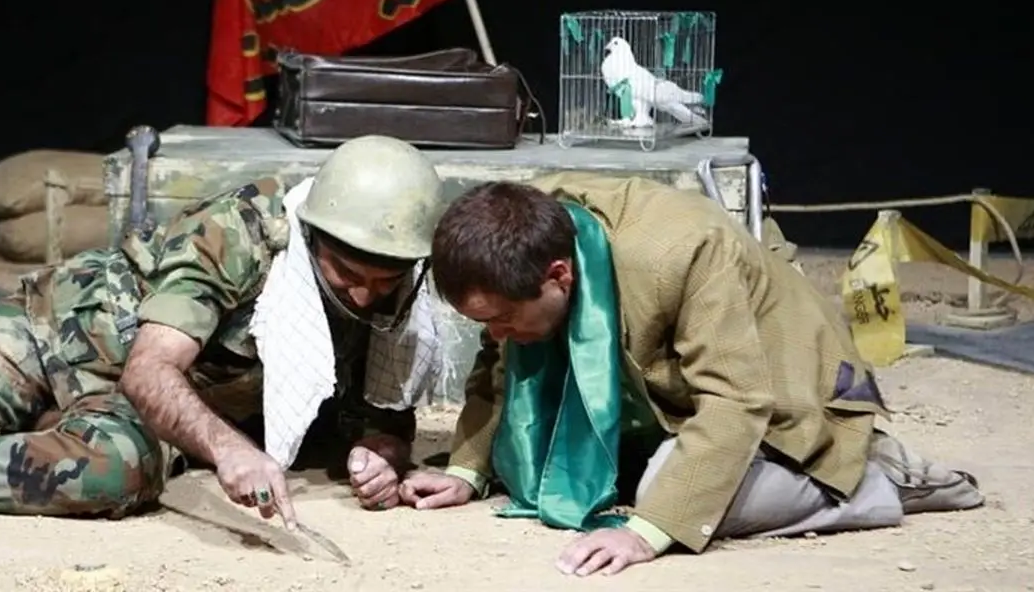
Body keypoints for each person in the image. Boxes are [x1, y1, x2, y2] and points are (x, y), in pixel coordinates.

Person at [0, 134, 447, 540]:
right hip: (46, 338)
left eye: (383, 282)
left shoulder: (394, 294)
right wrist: (231, 449)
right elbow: (151, 369)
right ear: (312, 238)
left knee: (120, 476)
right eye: (348, 276)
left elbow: (386, 413)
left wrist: (382, 456)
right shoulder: (237, 234)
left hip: (130, 409)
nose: (363, 297)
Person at [400, 173, 984, 577]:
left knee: (665, 491)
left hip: (783, 393)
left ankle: (871, 478)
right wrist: (468, 469)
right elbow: (497, 361)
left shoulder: (684, 251)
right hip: (669, 392)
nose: (496, 335)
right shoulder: (523, 231)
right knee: (540, 459)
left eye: (502, 319)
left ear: (559, 276)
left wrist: (648, 532)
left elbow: (736, 400)